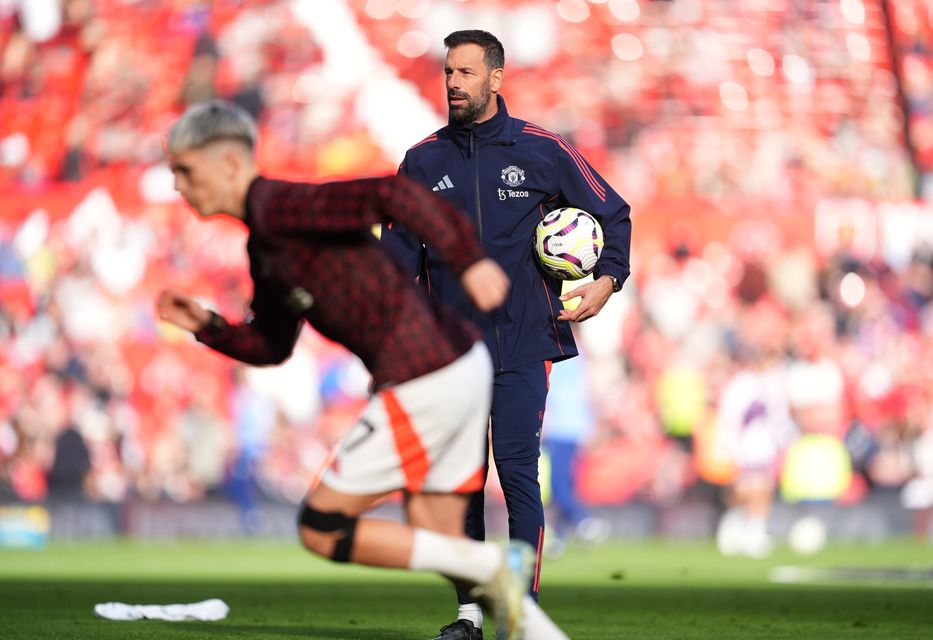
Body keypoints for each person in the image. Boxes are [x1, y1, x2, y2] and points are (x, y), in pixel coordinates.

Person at [156, 99, 569, 640]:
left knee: (323, 527)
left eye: (185, 170)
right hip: (453, 363)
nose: (178, 186)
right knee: (435, 534)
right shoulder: (265, 245)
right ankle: (525, 619)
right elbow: (272, 345)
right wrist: (209, 325)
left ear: (229, 163)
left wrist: (467, 260)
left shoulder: (284, 206)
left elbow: (392, 194)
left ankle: (496, 567)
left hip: (428, 372)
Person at [381, 30, 631, 640]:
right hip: (450, 352)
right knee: (462, 481)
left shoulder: (543, 150)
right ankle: (469, 613)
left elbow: (613, 212)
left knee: (516, 470)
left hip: (525, 340)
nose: (453, 83)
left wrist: (607, 279)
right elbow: (397, 259)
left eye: (466, 73)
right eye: (448, 73)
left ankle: (521, 606)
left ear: (496, 79)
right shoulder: (422, 160)